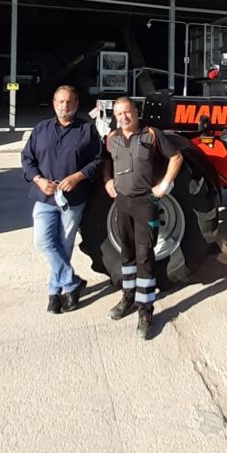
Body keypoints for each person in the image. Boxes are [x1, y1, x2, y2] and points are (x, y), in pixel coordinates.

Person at [101, 96, 183, 340]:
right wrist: (107, 181)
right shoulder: (112, 139)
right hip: (122, 204)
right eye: (119, 114)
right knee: (126, 254)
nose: (123, 118)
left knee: (144, 255)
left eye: (127, 112)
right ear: (114, 117)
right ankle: (128, 297)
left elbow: (176, 157)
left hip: (145, 204)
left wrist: (165, 185)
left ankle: (145, 311)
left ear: (136, 112)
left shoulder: (151, 135)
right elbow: (105, 161)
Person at [21, 85, 101, 314]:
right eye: (60, 101)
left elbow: (97, 160)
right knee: (43, 242)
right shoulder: (41, 129)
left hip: (72, 199)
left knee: (64, 246)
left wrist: (77, 177)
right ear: (53, 103)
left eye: (69, 102)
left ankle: (54, 292)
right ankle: (72, 282)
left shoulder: (87, 130)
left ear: (76, 104)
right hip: (44, 198)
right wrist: (38, 179)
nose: (65, 105)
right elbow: (27, 159)